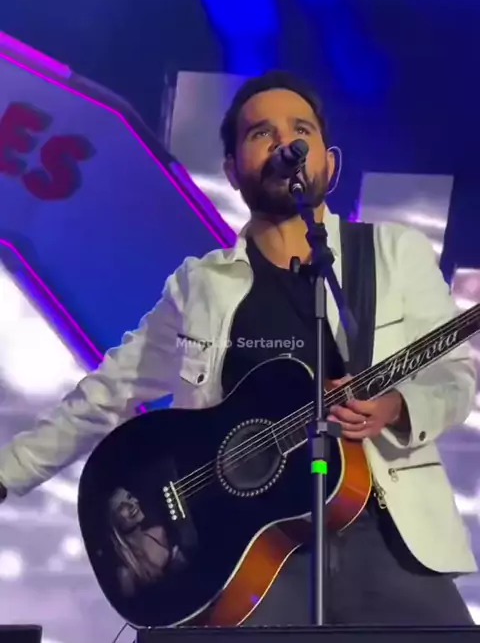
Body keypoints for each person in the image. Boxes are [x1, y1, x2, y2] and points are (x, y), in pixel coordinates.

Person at [0, 70, 476, 625]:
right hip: (246, 551)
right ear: (231, 169)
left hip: (386, 529)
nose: (285, 144)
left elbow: (453, 378)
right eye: (261, 133)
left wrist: (396, 407)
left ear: (330, 163)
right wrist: (7, 474)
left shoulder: (394, 253)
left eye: (300, 131)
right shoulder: (201, 284)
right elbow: (108, 393)